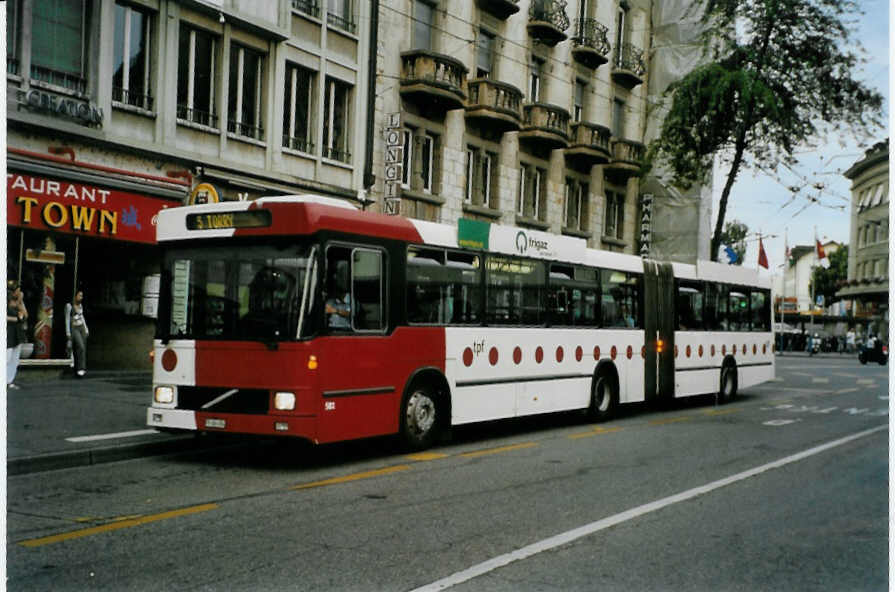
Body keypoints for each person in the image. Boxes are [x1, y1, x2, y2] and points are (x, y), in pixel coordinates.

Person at [6, 281, 28, 389]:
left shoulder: (18, 302)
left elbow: (25, 314)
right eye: (17, 291)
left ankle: (9, 381)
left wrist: (20, 301)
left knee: (15, 358)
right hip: (8, 331)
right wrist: (16, 319)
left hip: (17, 331)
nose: (19, 293)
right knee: (7, 357)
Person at [65, 289, 89, 377]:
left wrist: (86, 328)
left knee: (83, 348)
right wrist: (68, 332)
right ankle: (78, 367)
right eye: (79, 295)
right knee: (80, 346)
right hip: (74, 327)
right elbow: (67, 319)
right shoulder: (69, 306)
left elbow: (82, 317)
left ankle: (82, 367)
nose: (81, 298)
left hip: (81, 327)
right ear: (75, 296)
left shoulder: (80, 305)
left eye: (82, 296)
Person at [325, 262, 351, 329]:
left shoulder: (351, 300)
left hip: (345, 330)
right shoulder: (332, 300)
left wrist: (335, 310)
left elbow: (349, 313)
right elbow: (326, 309)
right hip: (331, 329)